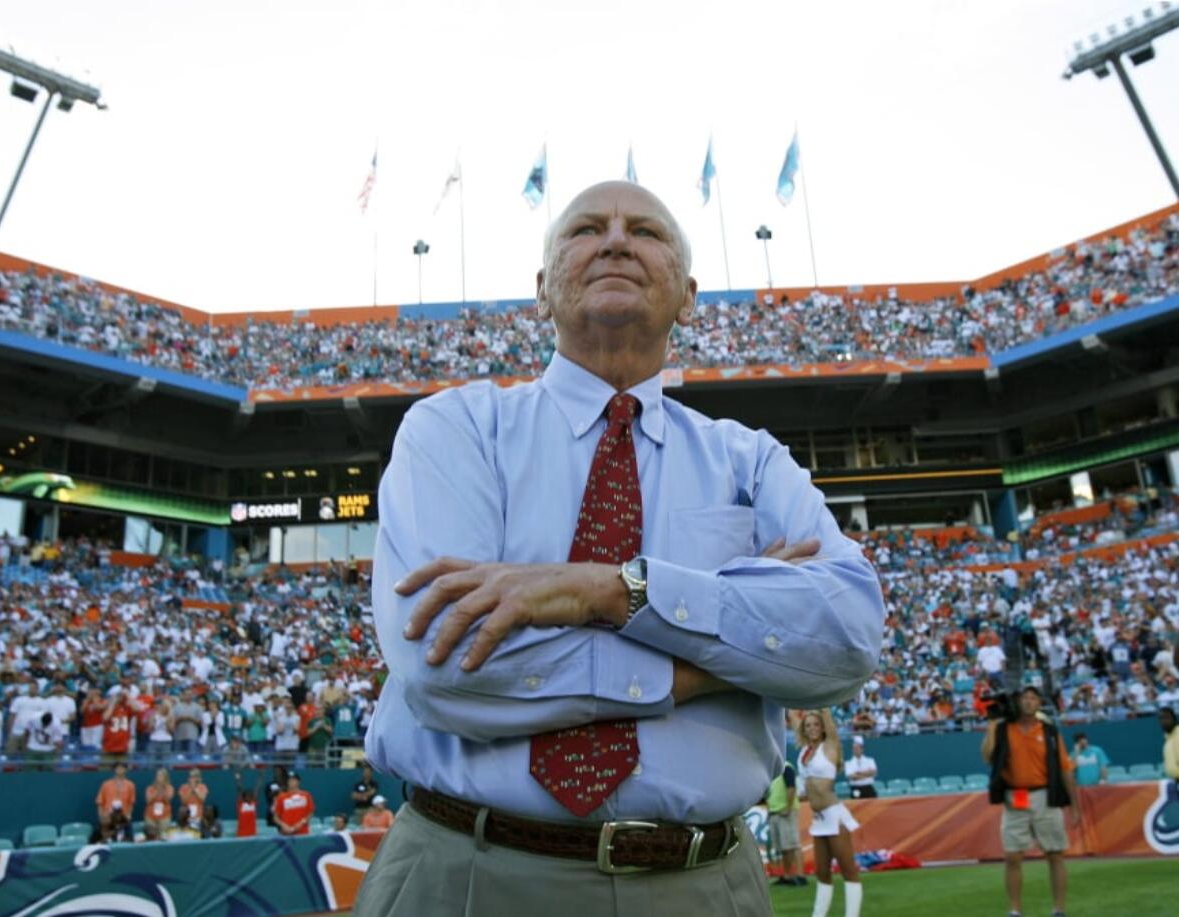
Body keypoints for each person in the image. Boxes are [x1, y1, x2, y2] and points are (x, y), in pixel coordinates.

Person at [354, 182, 883, 917]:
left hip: (706, 882)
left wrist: (611, 590)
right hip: (467, 872)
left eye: (645, 230)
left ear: (689, 297)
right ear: (542, 292)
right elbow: (446, 660)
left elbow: (848, 634)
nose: (613, 240)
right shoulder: (456, 429)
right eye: (585, 229)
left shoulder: (751, 461)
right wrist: (721, 658)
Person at [981, 685, 1082, 917]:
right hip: (1015, 796)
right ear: (1017, 702)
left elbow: (1066, 769)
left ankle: (1059, 909)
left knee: (1055, 853)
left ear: (1039, 703)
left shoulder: (1048, 731)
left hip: (1044, 795)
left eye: (1032, 697)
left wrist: (1073, 807)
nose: (1027, 701)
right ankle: (1014, 910)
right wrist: (992, 727)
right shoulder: (1004, 728)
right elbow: (988, 756)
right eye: (1023, 697)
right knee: (1012, 856)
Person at [797, 710, 863, 917]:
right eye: (808, 725)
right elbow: (792, 717)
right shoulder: (804, 751)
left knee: (847, 869)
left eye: (816, 724)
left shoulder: (830, 746)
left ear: (823, 726)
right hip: (819, 819)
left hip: (834, 815)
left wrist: (821, 700)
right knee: (822, 872)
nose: (812, 728)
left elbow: (830, 724)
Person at [765, 761, 805, 887]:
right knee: (784, 847)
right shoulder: (772, 769)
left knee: (792, 845)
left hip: (784, 811)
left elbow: (791, 787)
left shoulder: (786, 767)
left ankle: (800, 876)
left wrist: (788, 807)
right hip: (775, 811)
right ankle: (788, 875)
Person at [95, 762, 136, 833]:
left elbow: (131, 803)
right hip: (108, 818)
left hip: (123, 817)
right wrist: (101, 817)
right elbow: (100, 802)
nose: (120, 769)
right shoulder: (106, 784)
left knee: (128, 838)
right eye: (117, 768)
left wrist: (129, 815)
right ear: (114, 770)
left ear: (125, 770)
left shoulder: (130, 785)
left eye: (122, 768)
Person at [145, 768, 175, 835]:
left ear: (165, 777)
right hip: (150, 816)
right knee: (151, 836)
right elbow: (148, 801)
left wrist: (162, 789)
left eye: (161, 776)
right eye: (158, 775)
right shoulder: (150, 788)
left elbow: (168, 801)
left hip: (164, 816)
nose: (159, 777)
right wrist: (157, 791)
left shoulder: (170, 788)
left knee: (163, 835)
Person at [1161, 708, 1178, 781]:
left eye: (1167, 717)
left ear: (1174, 718)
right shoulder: (1167, 741)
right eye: (1161, 718)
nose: (1164, 721)